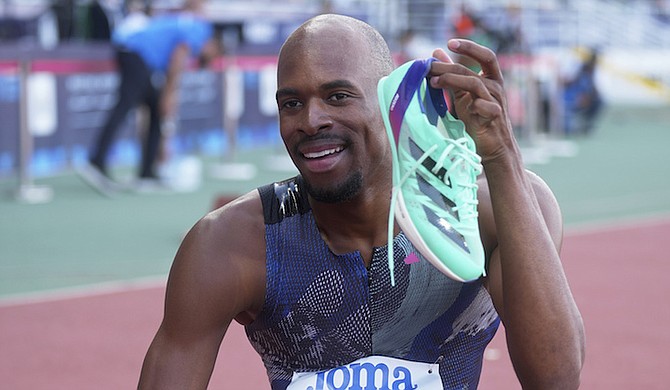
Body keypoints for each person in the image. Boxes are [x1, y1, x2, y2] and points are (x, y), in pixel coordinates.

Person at [138, 14, 584, 389]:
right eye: (291, 103)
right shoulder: (231, 242)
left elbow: (557, 379)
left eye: (338, 96)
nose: (311, 121)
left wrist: (501, 156)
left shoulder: (494, 209)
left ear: (389, 100)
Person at [78, 0, 217, 194]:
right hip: (134, 51)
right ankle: (96, 161)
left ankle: (146, 173)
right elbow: (177, 58)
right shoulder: (201, 30)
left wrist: (166, 96)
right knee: (124, 106)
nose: (200, 61)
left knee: (154, 108)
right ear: (213, 46)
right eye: (206, 58)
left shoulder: (189, 24)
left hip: (136, 53)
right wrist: (169, 94)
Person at [562, 47, 603, 135]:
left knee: (600, 101)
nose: (594, 63)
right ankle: (575, 124)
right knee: (566, 131)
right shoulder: (577, 70)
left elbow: (595, 92)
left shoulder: (591, 74)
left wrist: (589, 96)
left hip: (582, 101)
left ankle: (587, 123)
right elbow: (565, 84)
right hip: (569, 100)